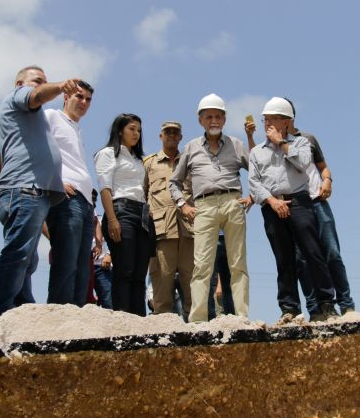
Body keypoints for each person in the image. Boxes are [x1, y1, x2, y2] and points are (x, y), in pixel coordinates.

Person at [0, 66, 80, 318]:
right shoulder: (18, 96)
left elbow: (0, 162)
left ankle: (21, 309)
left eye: (45, 81)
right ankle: (4, 312)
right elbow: (35, 95)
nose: (42, 84)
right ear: (20, 83)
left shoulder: (28, 119)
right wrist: (60, 85)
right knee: (19, 253)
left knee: (28, 259)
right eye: (37, 80)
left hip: (28, 190)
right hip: (24, 190)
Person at [249, 97, 337, 321]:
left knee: (312, 253)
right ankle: (289, 308)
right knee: (283, 259)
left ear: (286, 121)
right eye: (265, 119)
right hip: (271, 207)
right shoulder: (257, 152)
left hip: (299, 203)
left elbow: (303, 163)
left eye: (273, 119)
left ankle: (326, 304)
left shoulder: (301, 143)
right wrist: (272, 201)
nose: (268, 123)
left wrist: (281, 143)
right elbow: (254, 183)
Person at [169, 94, 251, 322]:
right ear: (200, 120)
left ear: (224, 119)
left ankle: (242, 317)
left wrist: (253, 196)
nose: (213, 120)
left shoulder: (236, 144)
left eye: (218, 116)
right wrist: (183, 205)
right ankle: (198, 320)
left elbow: (256, 170)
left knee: (238, 264)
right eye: (208, 117)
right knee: (202, 266)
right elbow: (174, 182)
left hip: (233, 202)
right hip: (203, 206)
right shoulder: (191, 147)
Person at [283, 98, 355, 316]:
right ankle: (316, 310)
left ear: (290, 117)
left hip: (317, 201)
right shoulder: (272, 145)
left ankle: (346, 304)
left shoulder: (308, 138)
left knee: (332, 253)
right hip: (296, 206)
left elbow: (323, 167)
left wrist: (328, 180)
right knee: (303, 259)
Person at [95, 113, 155, 316]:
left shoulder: (138, 159)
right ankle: (122, 318)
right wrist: (112, 219)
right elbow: (105, 188)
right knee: (124, 269)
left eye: (139, 130)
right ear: (120, 130)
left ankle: (139, 320)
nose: (136, 133)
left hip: (142, 213)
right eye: (131, 129)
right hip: (121, 210)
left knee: (139, 273)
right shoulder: (108, 153)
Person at [45, 81, 96, 306]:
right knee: (66, 261)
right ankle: (58, 316)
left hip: (85, 202)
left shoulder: (77, 129)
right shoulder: (51, 116)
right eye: (79, 96)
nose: (84, 102)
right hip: (67, 198)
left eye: (88, 99)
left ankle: (76, 316)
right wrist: (54, 181)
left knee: (82, 267)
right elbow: (36, 146)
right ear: (66, 97)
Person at [143, 121, 194, 318]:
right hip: (161, 231)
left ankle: (195, 325)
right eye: (167, 132)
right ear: (161, 136)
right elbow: (142, 196)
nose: (171, 135)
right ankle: (162, 323)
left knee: (192, 279)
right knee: (162, 279)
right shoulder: (149, 163)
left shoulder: (189, 162)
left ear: (181, 137)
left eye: (175, 132)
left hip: (189, 229)